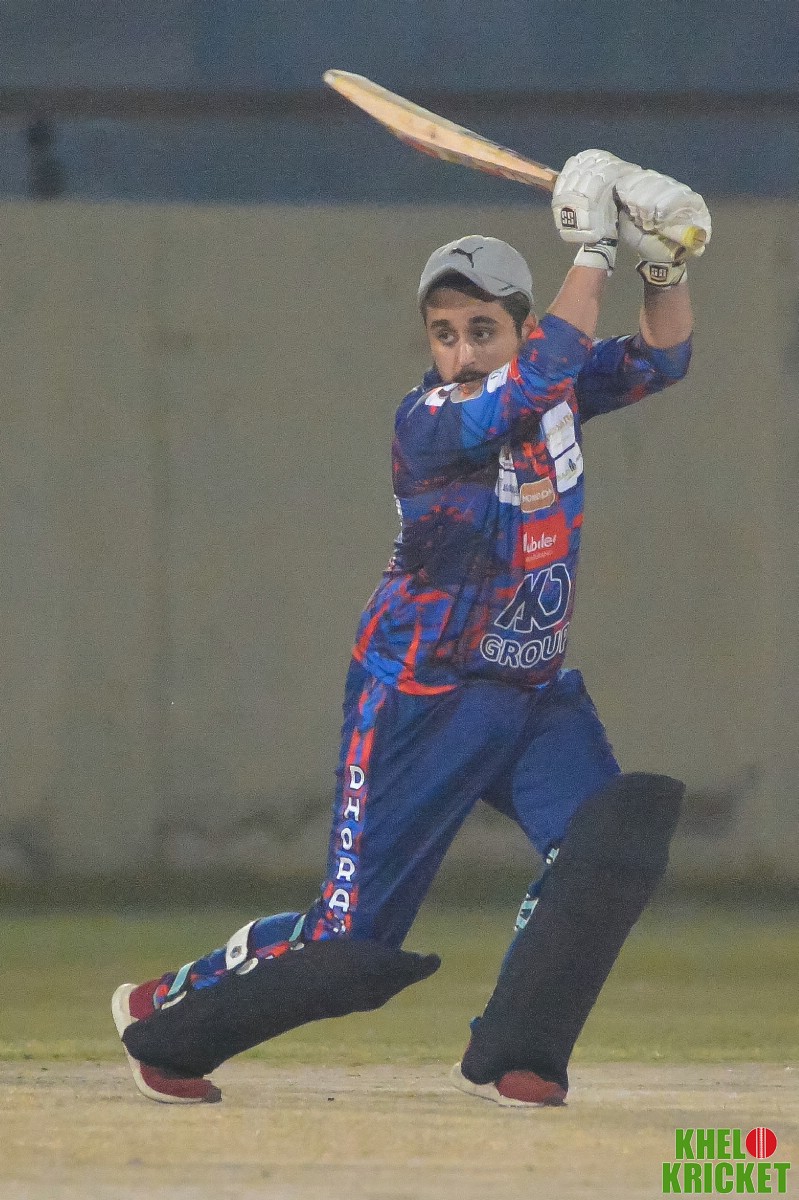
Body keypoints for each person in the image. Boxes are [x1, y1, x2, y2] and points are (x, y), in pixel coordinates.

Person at [112, 150, 711, 1106]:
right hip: (419, 698)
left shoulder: (553, 388)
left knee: (606, 851)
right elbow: (534, 378)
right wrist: (594, 249)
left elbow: (660, 356)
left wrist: (663, 264)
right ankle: (170, 1016)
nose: (461, 351)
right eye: (443, 333)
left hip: (531, 695)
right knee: (347, 942)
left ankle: (514, 1053)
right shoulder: (429, 420)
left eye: (482, 329)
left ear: (519, 326)